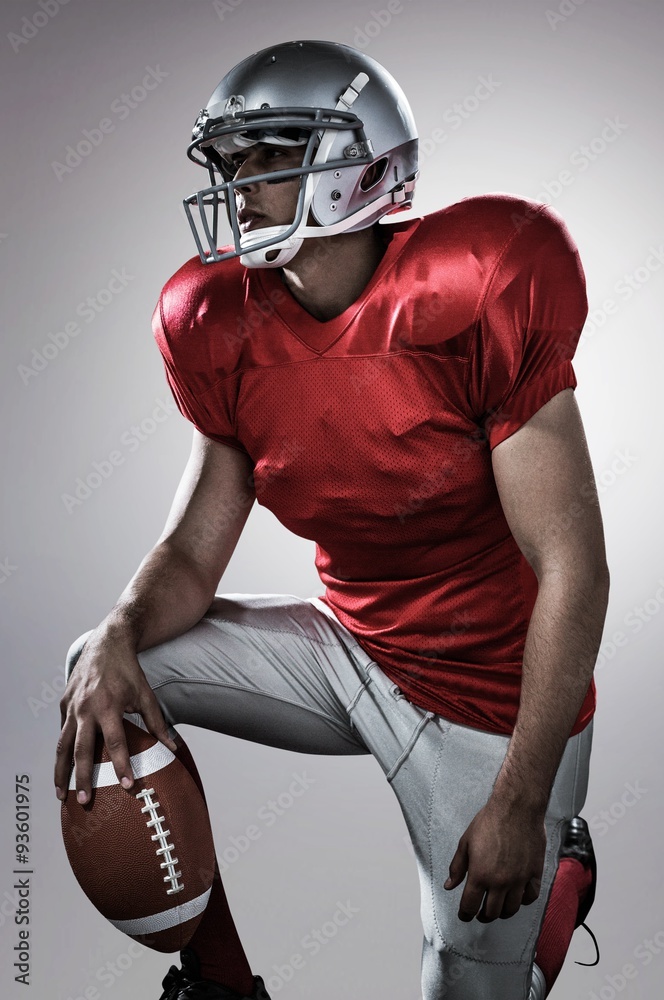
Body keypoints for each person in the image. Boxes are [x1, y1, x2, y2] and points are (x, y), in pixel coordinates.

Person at [55, 39, 610, 1000]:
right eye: (231, 162)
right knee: (105, 672)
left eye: (269, 155)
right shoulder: (216, 322)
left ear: (361, 164)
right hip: (350, 648)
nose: (240, 185)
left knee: (468, 984)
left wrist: (520, 800)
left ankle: (554, 885)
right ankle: (221, 981)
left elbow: (573, 567)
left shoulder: (477, 285)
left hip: (492, 695)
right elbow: (194, 552)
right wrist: (117, 631)